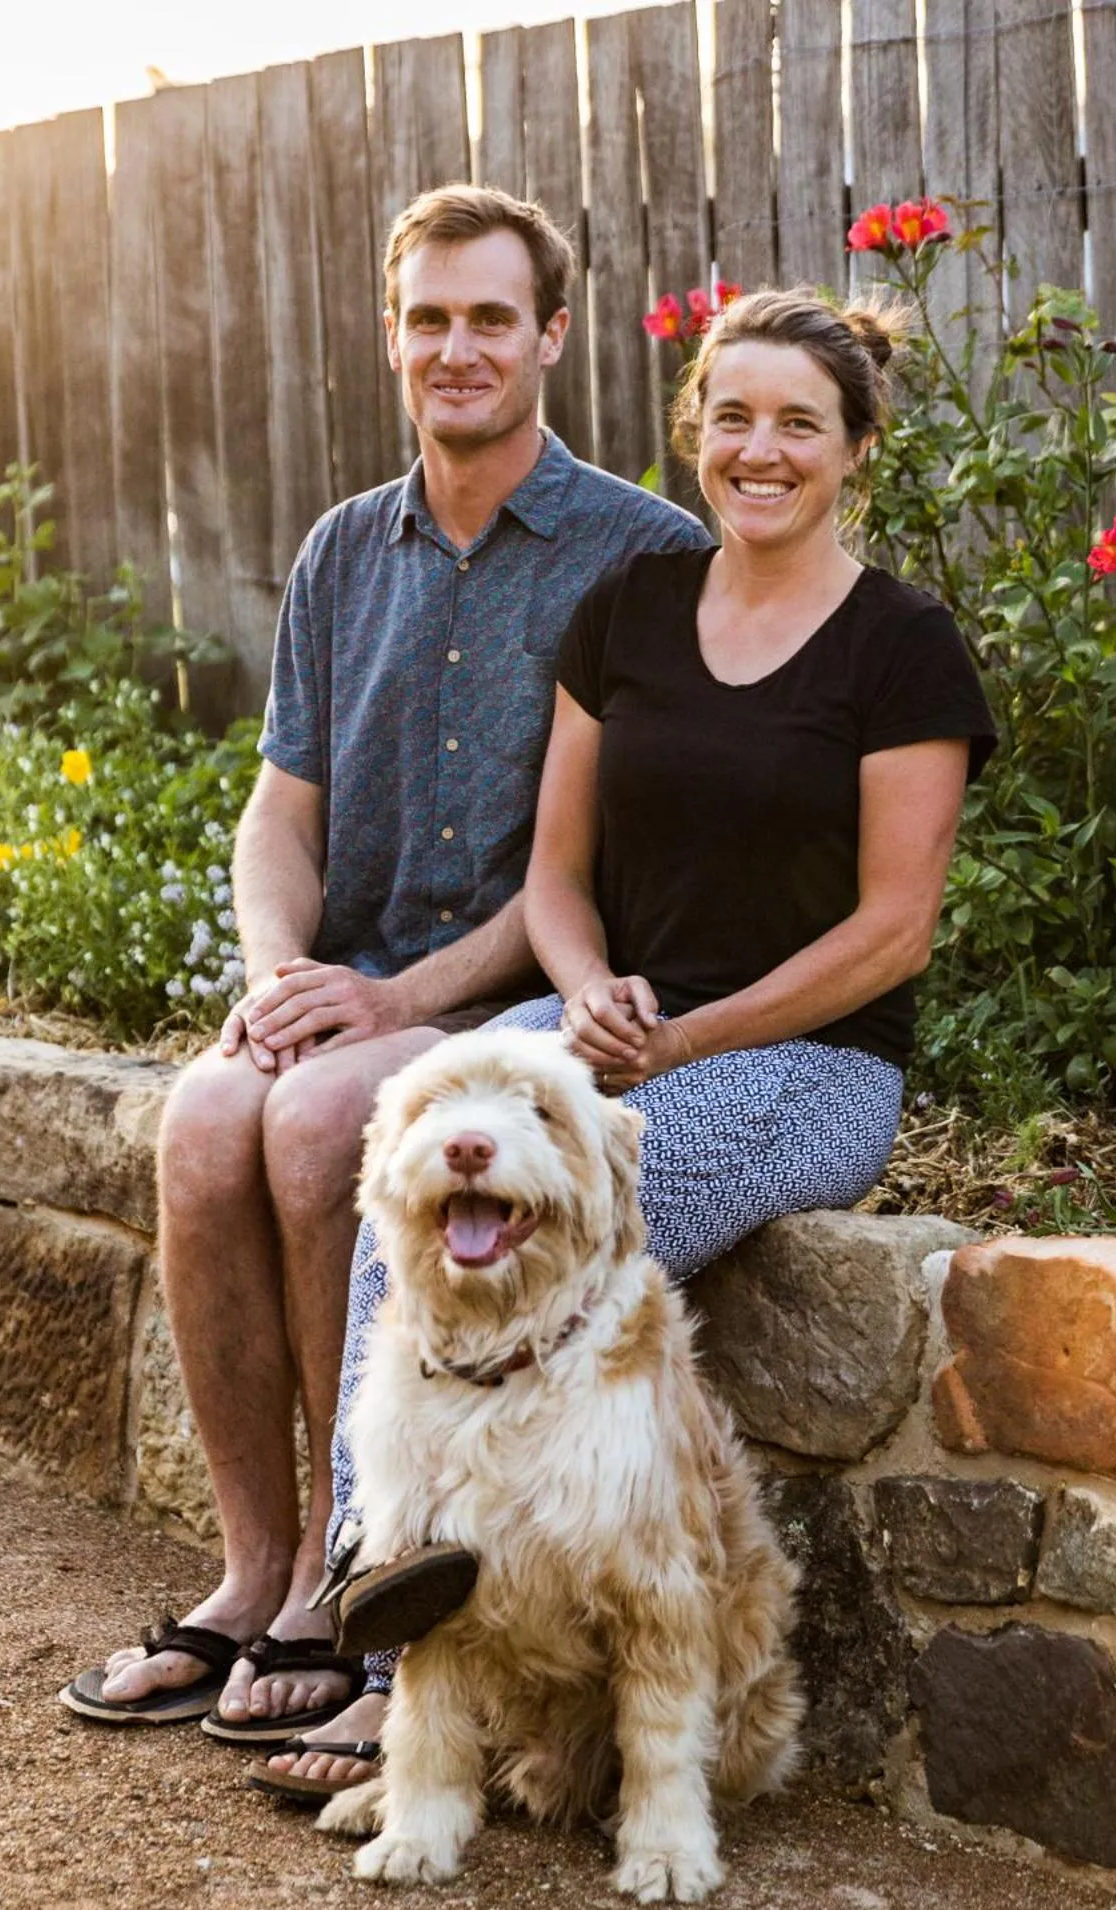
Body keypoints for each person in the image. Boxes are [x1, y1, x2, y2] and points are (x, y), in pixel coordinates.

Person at [268, 286, 996, 1801]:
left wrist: (691, 1037)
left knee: (588, 1228)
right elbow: (556, 872)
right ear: (696, 434)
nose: (761, 448)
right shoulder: (635, 608)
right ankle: (386, 1588)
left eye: (799, 421)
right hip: (611, 1025)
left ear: (854, 446)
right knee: (412, 1186)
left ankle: (453, 1666)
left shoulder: (904, 646)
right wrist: (587, 985)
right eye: (732, 416)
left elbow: (892, 931)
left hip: (806, 1061)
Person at [58, 184, 709, 1739]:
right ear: (391, 338)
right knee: (206, 1115)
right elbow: (278, 814)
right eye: (430, 319)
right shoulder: (346, 547)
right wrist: (284, 969)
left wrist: (396, 1002)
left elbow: (596, 865)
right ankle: (251, 1569)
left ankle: (353, 1578)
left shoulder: (644, 554)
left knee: (306, 1124)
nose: (458, 348)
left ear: (552, 335)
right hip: (348, 987)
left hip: (510, 989)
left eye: (493, 317)